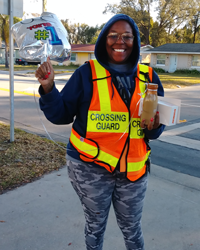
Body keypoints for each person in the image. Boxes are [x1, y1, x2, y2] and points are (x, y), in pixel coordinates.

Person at [36, 14, 165, 250]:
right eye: (113, 35)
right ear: (104, 39)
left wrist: (155, 127)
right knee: (95, 226)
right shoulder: (87, 74)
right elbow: (61, 115)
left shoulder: (149, 78)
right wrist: (48, 88)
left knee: (133, 230)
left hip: (133, 173)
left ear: (135, 41)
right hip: (90, 169)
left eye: (127, 36)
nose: (120, 41)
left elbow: (153, 132)